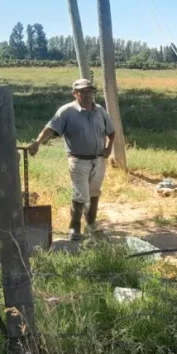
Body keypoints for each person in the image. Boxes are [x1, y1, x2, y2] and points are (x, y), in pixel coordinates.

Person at [28, 79, 115, 242]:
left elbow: (111, 132)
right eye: (83, 92)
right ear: (75, 94)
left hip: (98, 160)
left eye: (90, 91)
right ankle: (74, 227)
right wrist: (37, 142)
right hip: (78, 161)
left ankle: (91, 225)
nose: (88, 95)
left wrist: (109, 148)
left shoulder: (100, 111)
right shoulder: (67, 111)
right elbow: (50, 128)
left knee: (94, 193)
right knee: (80, 194)